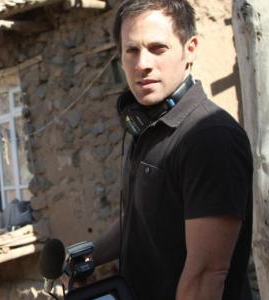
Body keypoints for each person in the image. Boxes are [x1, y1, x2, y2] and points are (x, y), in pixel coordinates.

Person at [87, 1, 253, 299]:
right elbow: (138, 218)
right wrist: (87, 256)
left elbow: (207, 274)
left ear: (189, 49)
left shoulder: (210, 138)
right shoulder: (147, 127)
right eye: (131, 50)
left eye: (158, 48)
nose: (142, 64)